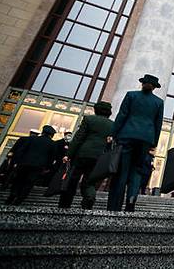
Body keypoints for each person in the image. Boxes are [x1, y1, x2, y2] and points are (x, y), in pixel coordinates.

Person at [108, 74, 164, 212]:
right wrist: (154, 143)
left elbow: (122, 115)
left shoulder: (131, 95)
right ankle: (131, 200)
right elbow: (158, 124)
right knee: (137, 171)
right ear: (154, 88)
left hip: (127, 135)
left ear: (142, 84)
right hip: (145, 139)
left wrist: (113, 133)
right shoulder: (158, 102)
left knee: (122, 171)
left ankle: (115, 204)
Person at [58, 101, 114, 209]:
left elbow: (78, 138)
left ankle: (65, 204)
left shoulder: (89, 119)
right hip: (98, 157)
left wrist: (69, 154)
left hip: (82, 154)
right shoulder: (112, 124)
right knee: (90, 181)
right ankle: (89, 197)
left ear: (96, 109)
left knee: (72, 179)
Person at [5, 125, 57, 205]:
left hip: (24, 164)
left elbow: (21, 151)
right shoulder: (52, 144)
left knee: (18, 180)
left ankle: (12, 195)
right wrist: (47, 167)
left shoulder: (31, 139)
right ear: (52, 135)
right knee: (29, 183)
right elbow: (51, 158)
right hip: (38, 167)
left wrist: (17, 162)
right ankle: (20, 199)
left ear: (42, 132)